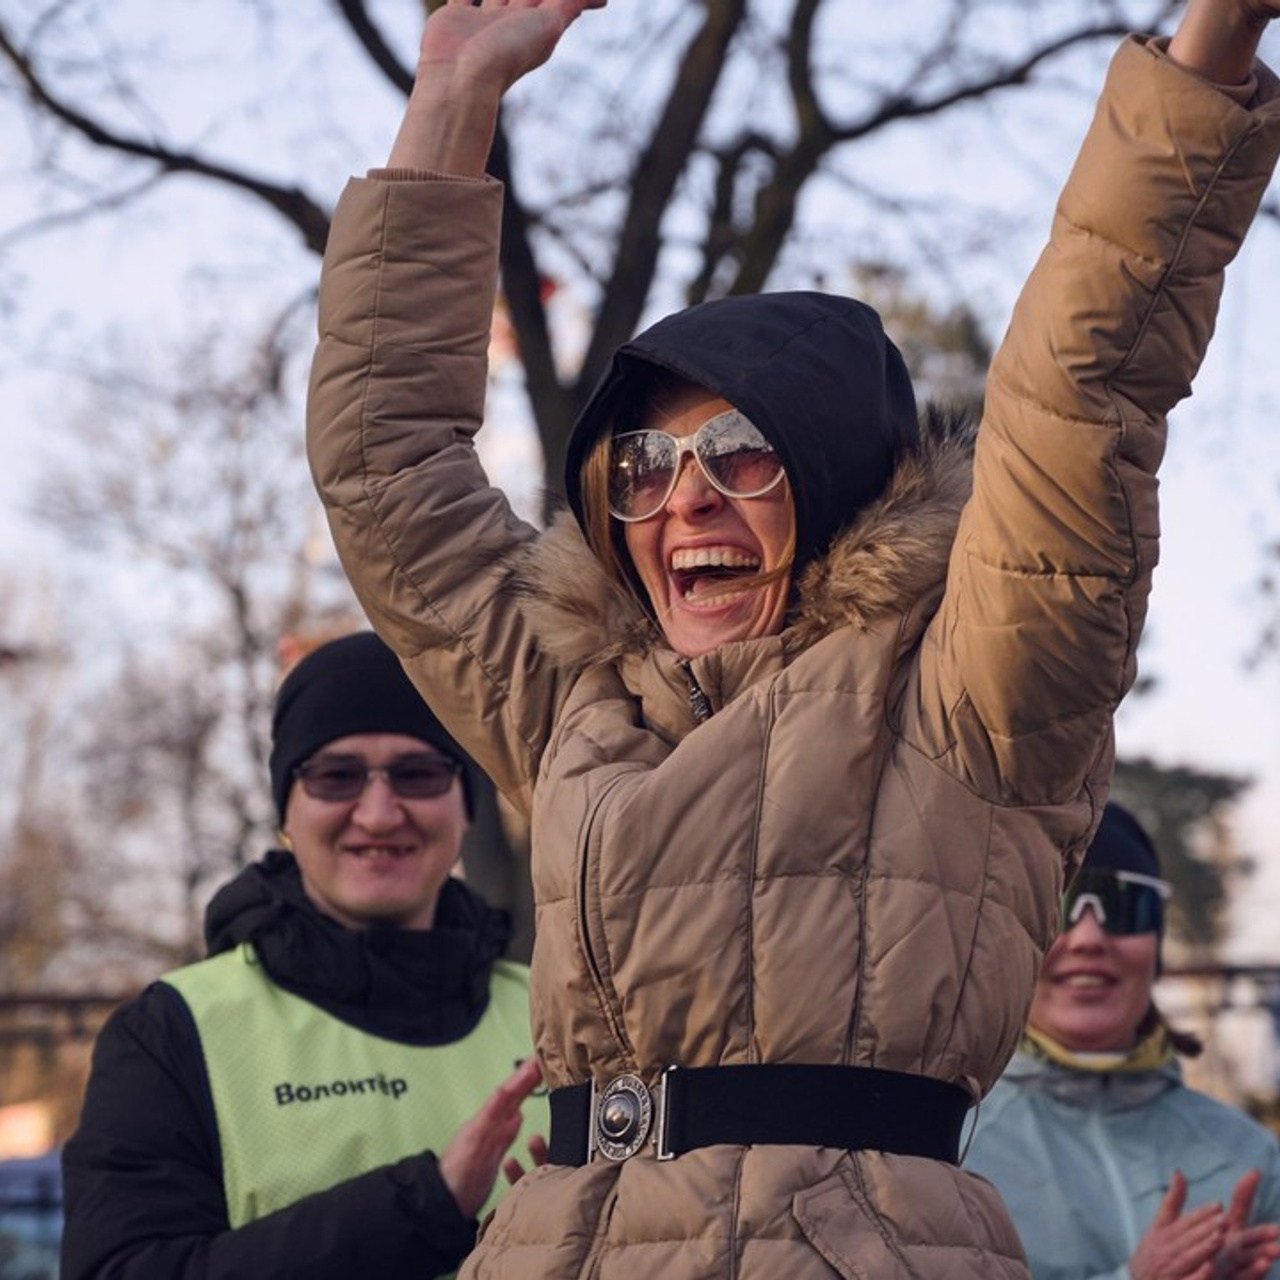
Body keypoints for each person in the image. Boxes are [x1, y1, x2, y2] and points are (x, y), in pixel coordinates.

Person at [304, 1, 1280, 1276]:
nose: (684, 497)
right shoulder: (573, 698)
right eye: (643, 463)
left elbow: (1079, 389)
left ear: (830, 482)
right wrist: (454, 95)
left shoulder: (968, 688)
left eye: (739, 452)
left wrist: (1208, 40)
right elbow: (385, 465)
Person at [60, 631, 547, 1280]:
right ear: (286, 809)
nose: (378, 814)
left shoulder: (556, 1010)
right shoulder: (172, 1033)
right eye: (336, 777)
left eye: (419, 774)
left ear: (467, 807)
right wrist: (425, 1206)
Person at [966, 803, 1280, 1280]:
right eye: (1060, 905)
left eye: (1126, 907)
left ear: (1155, 946)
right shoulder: (949, 1149)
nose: (1089, 937)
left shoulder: (1249, 1155)